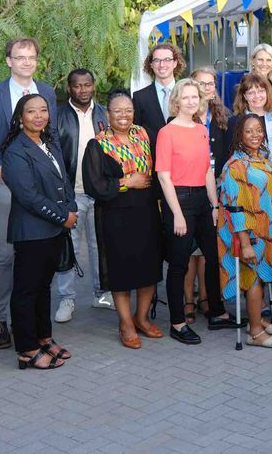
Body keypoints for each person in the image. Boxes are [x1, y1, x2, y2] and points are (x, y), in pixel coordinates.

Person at [0, 37, 56, 350]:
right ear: (9, 61)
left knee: (37, 252)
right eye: (20, 57)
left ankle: (33, 322)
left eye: (31, 57)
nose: (26, 62)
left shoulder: (46, 93)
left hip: (39, 188)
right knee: (6, 254)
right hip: (5, 186)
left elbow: (52, 136)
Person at [81, 90, 163, 349]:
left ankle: (141, 318)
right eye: (118, 110)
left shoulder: (145, 135)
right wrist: (128, 181)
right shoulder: (97, 144)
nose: (124, 115)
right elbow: (94, 185)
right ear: (108, 114)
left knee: (149, 268)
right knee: (122, 272)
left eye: (128, 110)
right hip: (115, 215)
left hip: (147, 212)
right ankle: (126, 323)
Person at [157, 79, 237, 345]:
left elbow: (207, 171)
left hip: (203, 200)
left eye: (194, 97)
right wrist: (178, 214)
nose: (191, 101)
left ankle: (216, 312)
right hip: (178, 200)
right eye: (186, 97)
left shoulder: (202, 129)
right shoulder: (167, 132)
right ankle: (177, 323)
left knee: (213, 258)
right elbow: (164, 177)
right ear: (176, 101)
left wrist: (214, 206)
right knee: (179, 263)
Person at [1, 94, 76, 371]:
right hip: (31, 231)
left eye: (43, 110)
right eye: (31, 111)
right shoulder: (15, 151)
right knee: (26, 290)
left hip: (53, 230)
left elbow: (64, 180)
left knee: (43, 287)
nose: (38, 116)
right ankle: (27, 348)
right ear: (20, 117)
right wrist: (62, 216)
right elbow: (28, 196)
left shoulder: (48, 143)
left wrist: (71, 207)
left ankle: (44, 337)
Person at [218, 114, 272, 348]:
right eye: (248, 131)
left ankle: (257, 319)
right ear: (239, 135)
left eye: (258, 130)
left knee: (261, 276)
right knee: (252, 279)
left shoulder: (262, 159)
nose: (255, 135)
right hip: (247, 233)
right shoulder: (235, 165)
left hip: (267, 230)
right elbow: (235, 207)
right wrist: (246, 242)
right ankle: (254, 332)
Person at [53, 69, 111, 324]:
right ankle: (67, 298)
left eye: (87, 85)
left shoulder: (104, 113)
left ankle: (102, 293)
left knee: (101, 245)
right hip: (72, 192)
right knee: (69, 248)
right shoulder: (57, 115)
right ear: (70, 88)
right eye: (78, 86)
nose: (83, 90)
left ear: (93, 86)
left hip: (99, 193)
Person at [183, 67, 232, 325]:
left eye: (211, 83)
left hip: (218, 188)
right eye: (201, 83)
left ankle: (209, 300)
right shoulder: (185, 118)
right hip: (191, 188)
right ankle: (188, 302)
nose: (206, 88)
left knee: (211, 250)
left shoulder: (223, 116)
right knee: (190, 251)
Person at [131, 42, 183, 156]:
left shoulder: (186, 93)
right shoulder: (139, 97)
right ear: (151, 64)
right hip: (152, 161)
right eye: (157, 60)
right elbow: (135, 133)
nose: (162, 64)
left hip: (183, 158)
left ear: (175, 63)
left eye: (167, 59)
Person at [228, 73, 272, 164]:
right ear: (244, 96)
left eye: (261, 91)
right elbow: (229, 154)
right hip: (247, 175)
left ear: (267, 92)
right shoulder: (235, 121)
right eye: (251, 93)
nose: (257, 96)